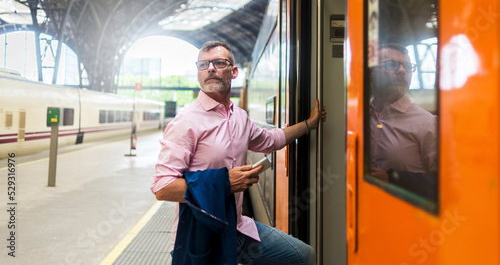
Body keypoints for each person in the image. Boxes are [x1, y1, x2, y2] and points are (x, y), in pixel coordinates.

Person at [151, 41, 326, 264]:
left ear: (233, 72)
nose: (211, 68)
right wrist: (225, 183)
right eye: (204, 64)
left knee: (304, 256)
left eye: (219, 63)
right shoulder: (186, 122)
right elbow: (162, 188)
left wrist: (309, 124)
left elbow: (272, 140)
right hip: (203, 236)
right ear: (198, 74)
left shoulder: (239, 117)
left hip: (237, 228)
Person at [369, 43, 437, 200]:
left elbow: (445, 184)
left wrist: (392, 179)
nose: (401, 71)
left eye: (407, 66)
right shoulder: (360, 117)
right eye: (392, 64)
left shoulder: (427, 124)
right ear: (372, 72)